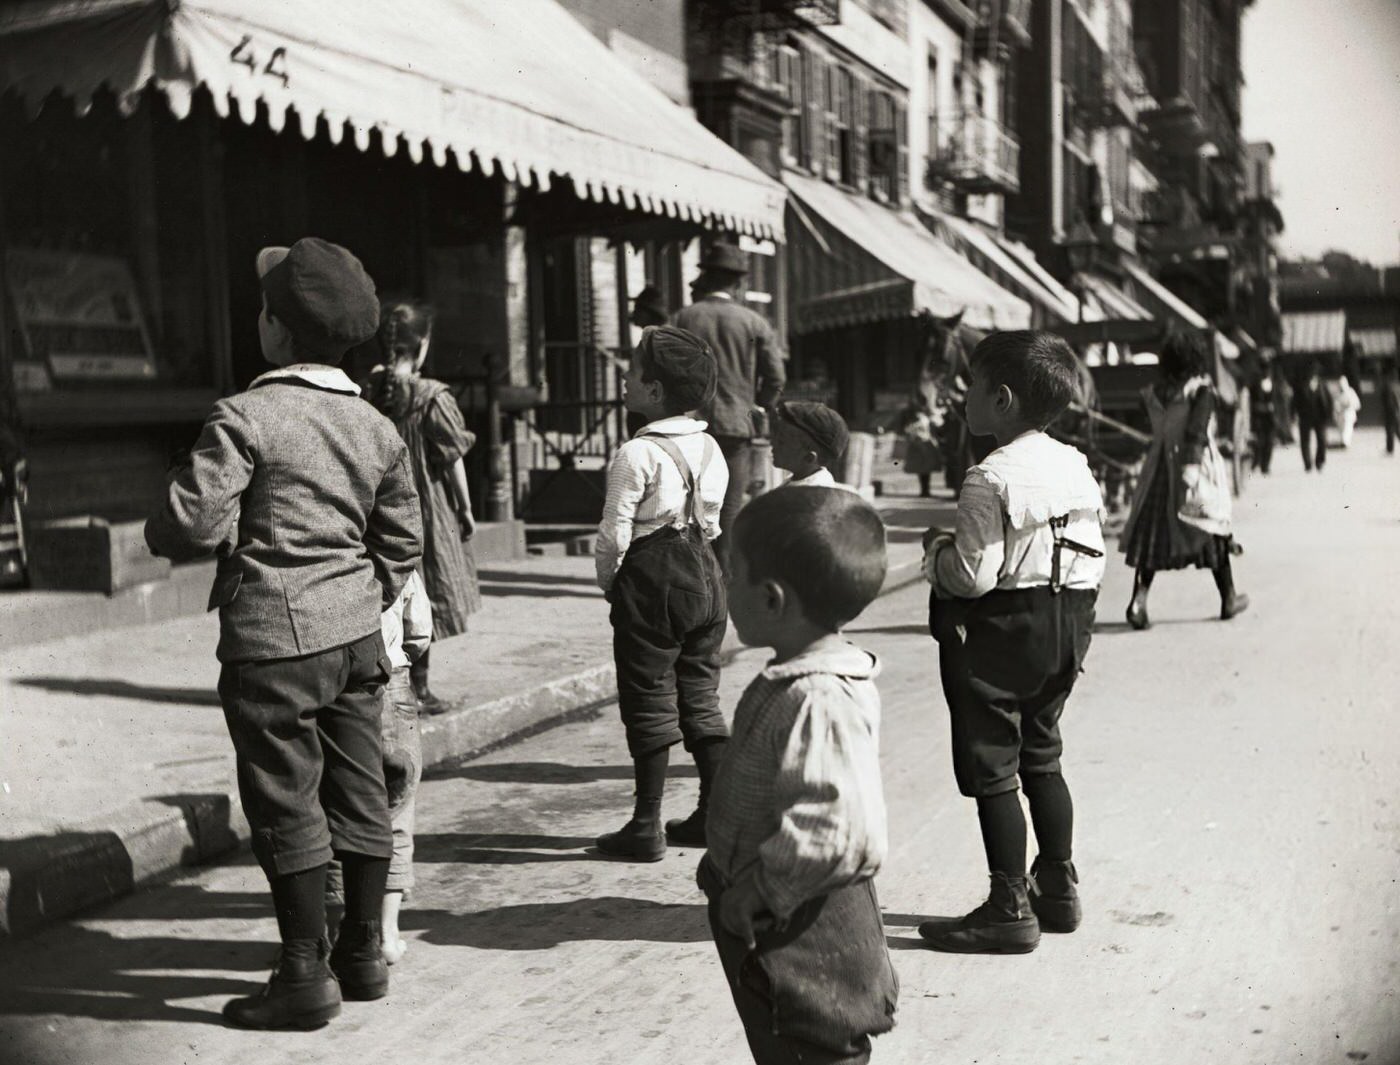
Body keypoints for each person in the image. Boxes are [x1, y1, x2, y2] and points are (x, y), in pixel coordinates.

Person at [145, 237, 422, 1029]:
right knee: (360, 787)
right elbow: (403, 540)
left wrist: (157, 525)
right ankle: (363, 953)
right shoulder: (374, 426)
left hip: (272, 641)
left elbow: (194, 518)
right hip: (357, 638)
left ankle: (303, 970)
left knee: (285, 797)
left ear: (274, 330)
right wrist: (364, 594)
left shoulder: (245, 415)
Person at [917, 330, 1104, 955]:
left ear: (1001, 399)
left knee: (994, 764)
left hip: (1002, 632)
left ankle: (1007, 905)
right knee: (1043, 755)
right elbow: (1093, 556)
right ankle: (1057, 886)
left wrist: (937, 555)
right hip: (1066, 625)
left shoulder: (986, 477)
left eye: (969, 386)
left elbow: (973, 577)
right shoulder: (1076, 464)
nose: (960, 396)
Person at [699, 486, 897, 1064]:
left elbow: (843, 832)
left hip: (803, 925)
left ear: (770, 598)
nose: (723, 585)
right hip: (781, 913)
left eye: (730, 573)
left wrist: (762, 888)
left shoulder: (819, 699)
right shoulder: (802, 679)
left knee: (810, 1044)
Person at [594, 325, 730, 860]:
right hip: (705, 573)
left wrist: (612, 584)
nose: (624, 381)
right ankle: (714, 814)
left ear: (653, 392)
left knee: (649, 698)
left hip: (652, 581)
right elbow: (713, 519)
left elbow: (613, 534)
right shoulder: (710, 444)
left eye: (631, 374)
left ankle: (646, 824)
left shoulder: (635, 453)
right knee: (700, 694)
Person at [365, 301, 482, 713]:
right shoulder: (432, 397)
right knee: (425, 594)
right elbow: (452, 459)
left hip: (378, 507)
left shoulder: (369, 390)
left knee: (391, 594)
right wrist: (466, 510)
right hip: (425, 511)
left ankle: (389, 684)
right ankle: (420, 687)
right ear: (423, 345)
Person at [326, 568, 432, 967]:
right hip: (394, 684)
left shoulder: (329, 564)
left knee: (343, 808)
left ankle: (344, 930)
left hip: (344, 688)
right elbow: (419, 630)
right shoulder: (394, 561)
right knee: (397, 810)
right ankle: (387, 933)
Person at [1121, 328, 1249, 630]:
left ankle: (1138, 603)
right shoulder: (1201, 391)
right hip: (1194, 468)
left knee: (1151, 539)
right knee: (1211, 529)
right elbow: (1197, 431)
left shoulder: (1153, 393)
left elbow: (1147, 427)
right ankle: (1228, 598)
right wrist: (1191, 467)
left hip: (1158, 472)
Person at [672, 241, 785, 573]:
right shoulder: (754, 322)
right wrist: (760, 406)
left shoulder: (682, 318)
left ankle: (688, 574)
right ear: (738, 282)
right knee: (729, 505)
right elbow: (776, 377)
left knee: (685, 503)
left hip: (686, 426)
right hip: (736, 425)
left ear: (705, 279)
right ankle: (724, 576)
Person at [769, 400, 849, 487]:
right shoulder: (794, 481)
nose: (772, 442)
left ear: (809, 458)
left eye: (781, 441)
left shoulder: (813, 493)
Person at [898, 394, 942, 497]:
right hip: (919, 445)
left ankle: (926, 490)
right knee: (921, 469)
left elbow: (934, 428)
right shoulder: (912, 416)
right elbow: (905, 430)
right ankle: (924, 490)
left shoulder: (926, 416)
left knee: (925, 469)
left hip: (925, 445)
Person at [1292, 364, 1333, 473]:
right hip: (1305, 417)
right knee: (1305, 441)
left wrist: (1329, 414)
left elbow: (1329, 400)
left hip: (1320, 417)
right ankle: (1308, 464)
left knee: (1322, 440)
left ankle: (1319, 461)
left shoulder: (1322, 384)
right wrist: (1294, 415)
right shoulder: (1301, 385)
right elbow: (1295, 402)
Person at [1249, 369, 1277, 475]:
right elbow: (1252, 402)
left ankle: (1265, 466)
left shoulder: (1273, 385)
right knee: (1259, 442)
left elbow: (1277, 402)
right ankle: (1257, 462)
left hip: (1270, 419)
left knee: (1269, 442)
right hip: (1259, 418)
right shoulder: (1256, 385)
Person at [1335, 375, 1361, 449]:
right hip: (1340, 415)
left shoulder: (1351, 392)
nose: (1341, 386)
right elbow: (1335, 405)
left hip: (1349, 414)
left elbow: (1357, 404)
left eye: (1342, 384)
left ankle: (1345, 443)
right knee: (1342, 430)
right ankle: (1343, 442)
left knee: (1347, 428)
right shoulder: (1337, 394)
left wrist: (1349, 406)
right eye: (1340, 384)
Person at [1381, 358, 1400, 456]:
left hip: (1391, 411)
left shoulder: (1387, 385)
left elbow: (1388, 401)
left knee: (1391, 430)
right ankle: (1389, 449)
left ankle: (1389, 449)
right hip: (1396, 410)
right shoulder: (1396, 385)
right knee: (1396, 429)